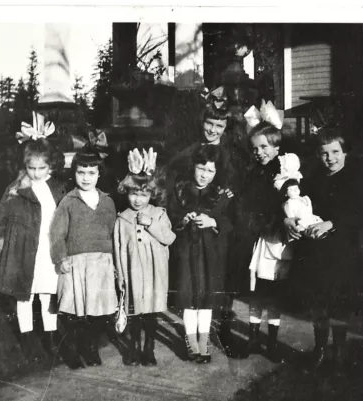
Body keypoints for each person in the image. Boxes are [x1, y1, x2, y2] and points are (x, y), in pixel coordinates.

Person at [285, 128, 363, 371]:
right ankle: (320, 348)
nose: (330, 158)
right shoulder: (314, 178)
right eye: (324, 153)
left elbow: (360, 213)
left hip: (342, 251)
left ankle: (339, 349)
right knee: (318, 300)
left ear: (345, 153)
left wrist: (331, 223)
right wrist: (289, 219)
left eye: (335, 152)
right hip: (316, 252)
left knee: (340, 302)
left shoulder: (355, 179)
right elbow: (298, 204)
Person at [0, 113, 68, 359]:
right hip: (23, 248)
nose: (35, 173)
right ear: (25, 166)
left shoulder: (57, 188)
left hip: (48, 249)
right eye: (31, 168)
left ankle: (52, 339)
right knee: (25, 295)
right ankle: (27, 342)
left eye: (41, 168)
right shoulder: (16, 188)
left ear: (51, 165)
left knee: (49, 294)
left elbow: (65, 216)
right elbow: (2, 216)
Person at [233, 112, 298, 359]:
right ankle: (252, 339)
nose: (260, 152)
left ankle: (270, 342)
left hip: (277, 240)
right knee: (256, 292)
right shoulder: (254, 174)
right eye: (255, 148)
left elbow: (286, 203)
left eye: (264, 147)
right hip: (258, 240)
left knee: (273, 294)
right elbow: (247, 203)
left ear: (277, 147)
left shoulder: (283, 173)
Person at [49, 142, 119, 369]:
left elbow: (112, 232)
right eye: (81, 172)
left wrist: (115, 262)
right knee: (77, 311)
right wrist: (61, 257)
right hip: (77, 263)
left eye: (91, 173)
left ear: (99, 174)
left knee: (98, 311)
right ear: (74, 174)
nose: (86, 178)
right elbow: (57, 234)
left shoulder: (107, 201)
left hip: (101, 263)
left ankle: (90, 347)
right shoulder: (68, 202)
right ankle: (75, 349)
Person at [167, 144, 233, 364]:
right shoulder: (180, 190)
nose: (205, 175)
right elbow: (170, 216)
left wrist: (213, 221)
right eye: (201, 168)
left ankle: (203, 341)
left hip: (210, 255)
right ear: (192, 166)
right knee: (188, 297)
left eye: (210, 171)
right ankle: (191, 341)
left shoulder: (221, 195)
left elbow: (231, 221)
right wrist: (182, 221)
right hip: (187, 254)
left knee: (206, 299)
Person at [114, 148, 176, 366]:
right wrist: (121, 275)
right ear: (126, 191)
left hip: (154, 274)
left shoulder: (159, 214)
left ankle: (149, 348)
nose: (138, 199)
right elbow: (120, 248)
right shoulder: (122, 219)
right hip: (133, 274)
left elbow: (169, 238)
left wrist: (151, 225)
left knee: (150, 313)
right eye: (133, 194)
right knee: (135, 314)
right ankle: (134, 347)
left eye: (143, 194)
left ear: (151, 194)